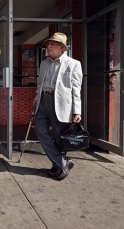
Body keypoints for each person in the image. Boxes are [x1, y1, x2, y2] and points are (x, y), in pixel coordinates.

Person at [34, 32, 83, 180]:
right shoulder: (44, 63)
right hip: (43, 101)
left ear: (62, 47)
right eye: (48, 44)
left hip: (62, 104)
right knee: (40, 130)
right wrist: (37, 98)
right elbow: (39, 84)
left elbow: (76, 89)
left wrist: (77, 111)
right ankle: (63, 162)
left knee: (59, 137)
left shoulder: (73, 64)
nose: (49, 47)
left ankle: (58, 166)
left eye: (52, 44)